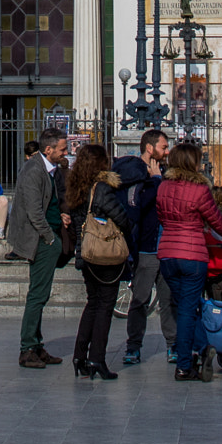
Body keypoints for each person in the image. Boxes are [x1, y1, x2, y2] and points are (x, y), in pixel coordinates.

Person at [155, 144, 222, 382]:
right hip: (192, 255)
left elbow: (161, 217)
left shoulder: (162, 187)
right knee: (188, 310)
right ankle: (185, 364)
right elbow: (216, 222)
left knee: (184, 306)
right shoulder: (200, 190)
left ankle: (201, 348)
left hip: (168, 254)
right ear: (193, 162)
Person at [63, 140, 129, 381]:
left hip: (85, 251)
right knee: (105, 305)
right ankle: (97, 358)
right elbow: (119, 215)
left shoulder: (76, 184)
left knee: (93, 302)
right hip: (103, 252)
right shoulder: (101, 188)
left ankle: (80, 355)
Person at [113, 128, 174, 367]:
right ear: (150, 148)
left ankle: (173, 344)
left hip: (166, 246)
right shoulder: (137, 174)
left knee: (169, 300)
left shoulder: (164, 173)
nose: (167, 152)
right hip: (147, 248)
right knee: (140, 300)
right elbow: (138, 206)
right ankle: (134, 346)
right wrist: (156, 181)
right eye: (163, 147)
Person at [9, 128, 70, 369]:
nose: (65, 152)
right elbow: (34, 211)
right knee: (38, 294)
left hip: (48, 235)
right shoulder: (34, 170)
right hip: (41, 240)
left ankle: (36, 344)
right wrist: (50, 238)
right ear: (49, 150)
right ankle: (27, 348)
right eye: (62, 149)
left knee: (40, 294)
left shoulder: (51, 169)